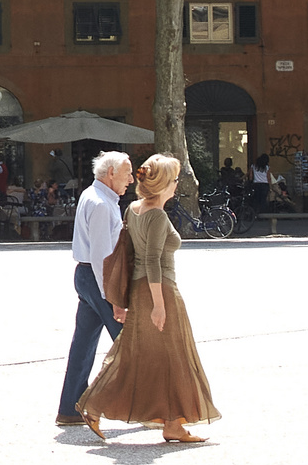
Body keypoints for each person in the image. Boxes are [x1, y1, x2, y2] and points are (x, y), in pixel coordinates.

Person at [79, 154, 221, 443]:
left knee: (142, 355)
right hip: (161, 290)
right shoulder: (157, 215)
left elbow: (129, 254)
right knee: (173, 356)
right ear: (163, 184)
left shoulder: (133, 209)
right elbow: (153, 261)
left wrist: (126, 298)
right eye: (174, 180)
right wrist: (159, 305)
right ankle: (101, 408)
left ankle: (171, 423)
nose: (176, 185)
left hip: (139, 290)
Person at [55, 151, 133, 427]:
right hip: (98, 277)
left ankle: (70, 408)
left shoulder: (95, 196)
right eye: (127, 173)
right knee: (129, 343)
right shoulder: (101, 203)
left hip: (87, 275)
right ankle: (146, 405)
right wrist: (113, 297)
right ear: (111, 173)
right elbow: (102, 256)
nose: (131, 179)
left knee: (84, 344)